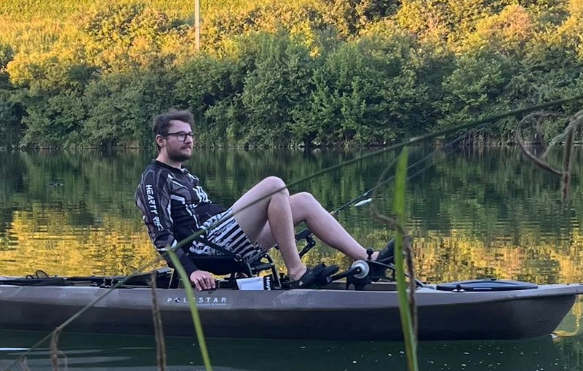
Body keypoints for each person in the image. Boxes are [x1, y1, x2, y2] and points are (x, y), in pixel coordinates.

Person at [134, 109, 392, 291]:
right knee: (273, 185)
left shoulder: (187, 176)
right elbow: (161, 236)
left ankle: (370, 259)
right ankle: (297, 272)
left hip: (222, 242)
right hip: (203, 250)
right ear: (161, 141)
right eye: (180, 135)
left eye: (190, 134)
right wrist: (192, 271)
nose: (189, 140)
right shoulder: (154, 178)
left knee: (304, 200)